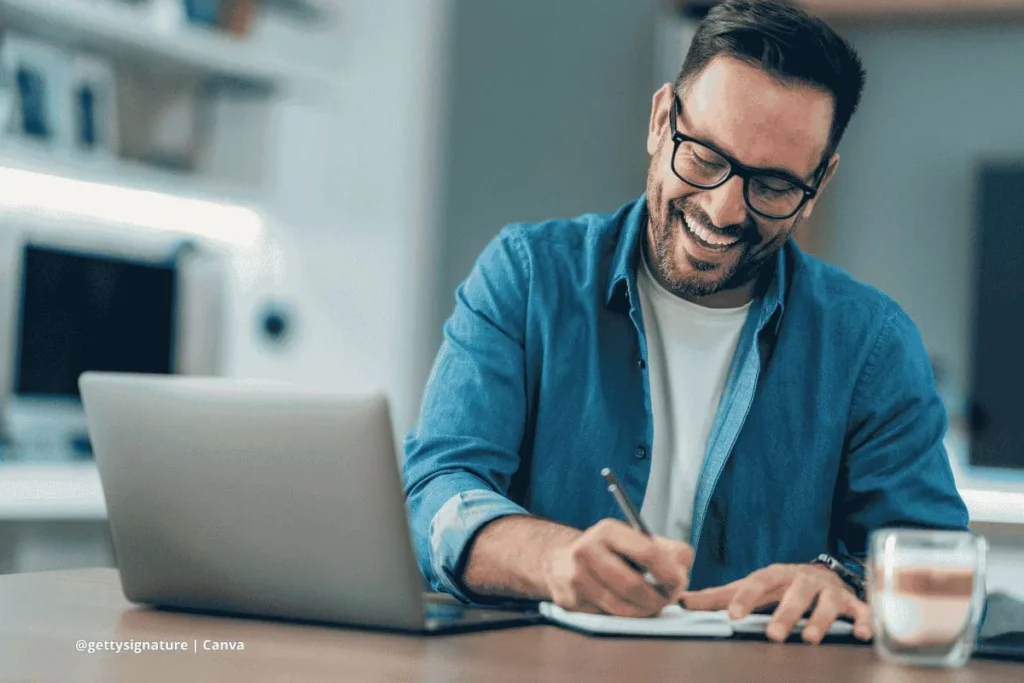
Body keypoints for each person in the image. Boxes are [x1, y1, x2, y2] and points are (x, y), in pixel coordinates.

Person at [402, 0, 969, 644]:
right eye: (703, 156)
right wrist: (549, 558)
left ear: (821, 180)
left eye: (775, 185)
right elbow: (436, 492)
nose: (725, 210)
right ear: (660, 118)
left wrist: (841, 578)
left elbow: (937, 558)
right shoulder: (526, 276)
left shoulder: (872, 344)